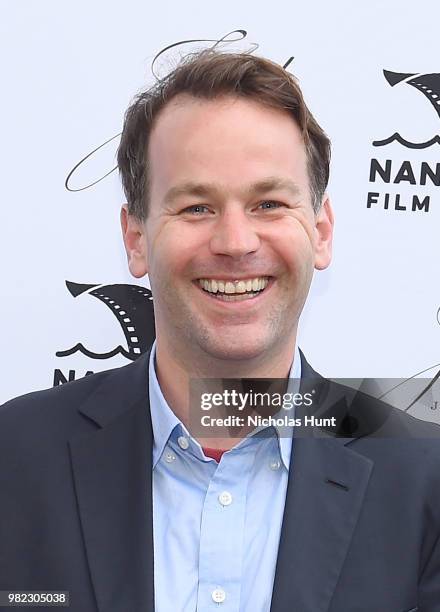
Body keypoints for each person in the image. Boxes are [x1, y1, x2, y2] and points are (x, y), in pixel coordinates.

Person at [1, 50, 439, 612]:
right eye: (197, 207)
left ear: (321, 232)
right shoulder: (16, 460)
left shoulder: (422, 478)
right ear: (135, 237)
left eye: (269, 203)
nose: (236, 242)